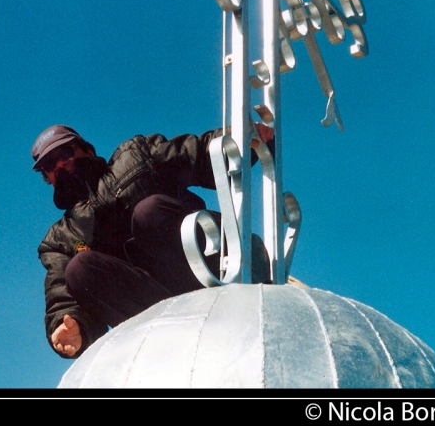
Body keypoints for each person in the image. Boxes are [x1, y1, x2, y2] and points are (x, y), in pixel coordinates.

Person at [33, 123, 274, 358]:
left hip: (206, 268)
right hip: (158, 304)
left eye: (65, 153)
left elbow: (193, 154)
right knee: (79, 268)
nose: (60, 165)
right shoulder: (60, 239)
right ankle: (169, 336)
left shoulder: (135, 155)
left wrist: (233, 141)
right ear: (46, 176)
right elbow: (61, 295)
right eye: (49, 164)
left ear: (87, 149)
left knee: (149, 212)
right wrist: (72, 328)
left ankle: (239, 275)